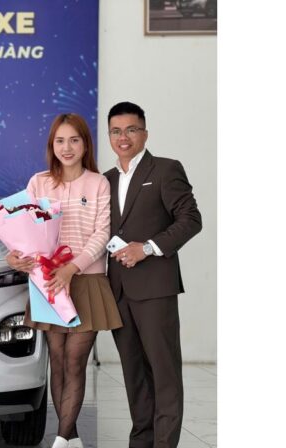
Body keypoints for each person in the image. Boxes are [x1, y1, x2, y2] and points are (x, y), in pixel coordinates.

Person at [6, 113, 122, 448]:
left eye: (74, 140)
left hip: (87, 280)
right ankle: (69, 437)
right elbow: (22, 229)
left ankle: (59, 439)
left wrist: (73, 268)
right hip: (48, 282)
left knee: (75, 359)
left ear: (85, 144)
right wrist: (13, 256)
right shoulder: (38, 182)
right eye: (60, 141)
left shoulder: (98, 183)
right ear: (51, 145)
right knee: (56, 360)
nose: (67, 147)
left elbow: (102, 232)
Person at [103, 101, 202, 448]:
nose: (124, 137)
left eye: (131, 129)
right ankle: (141, 442)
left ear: (145, 133)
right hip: (118, 291)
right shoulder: (105, 180)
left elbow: (191, 220)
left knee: (164, 374)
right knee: (134, 376)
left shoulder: (165, 169)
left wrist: (146, 247)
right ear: (109, 136)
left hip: (155, 288)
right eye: (116, 131)